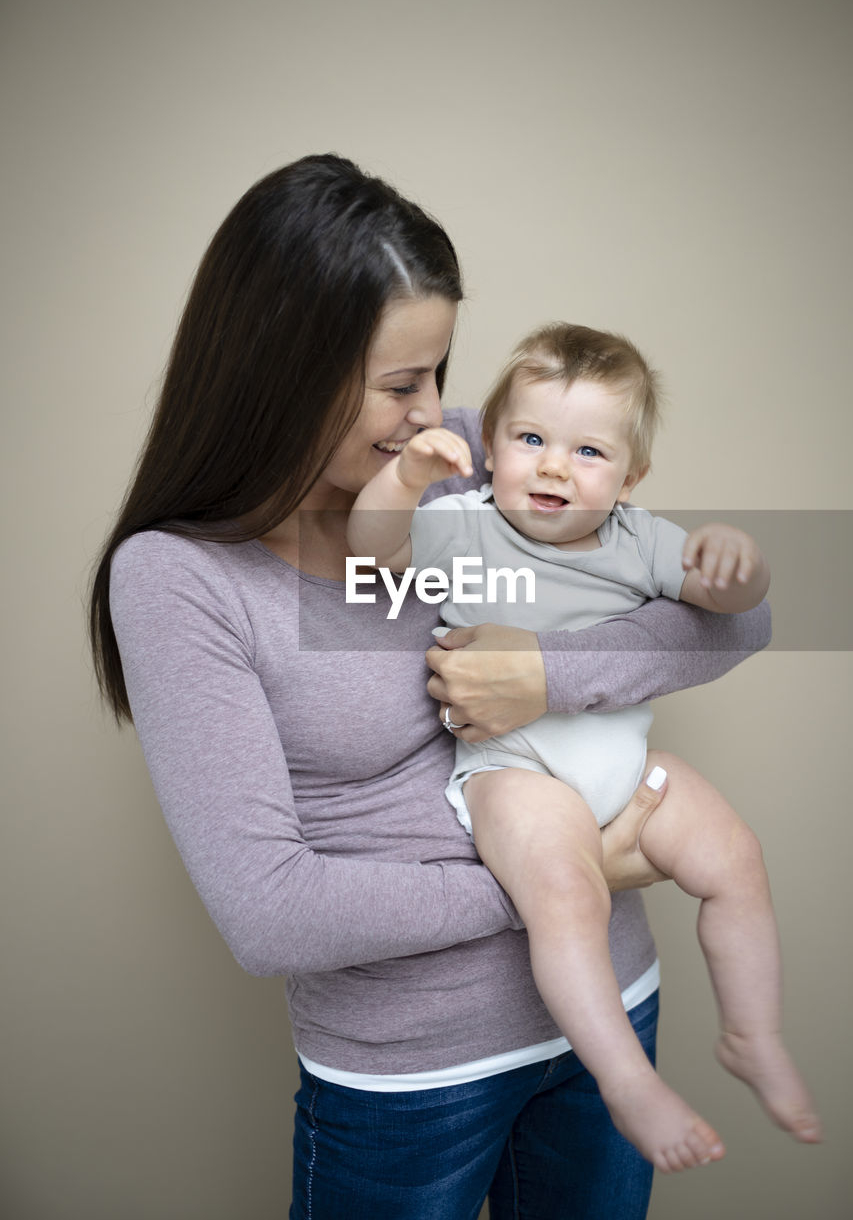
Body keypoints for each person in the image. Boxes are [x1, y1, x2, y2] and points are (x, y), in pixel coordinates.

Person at [89, 155, 774, 1218]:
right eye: (402, 383)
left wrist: (546, 672)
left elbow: (742, 612)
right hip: (409, 1080)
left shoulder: (456, 495)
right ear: (288, 370)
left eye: (440, 371)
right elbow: (272, 913)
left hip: (606, 1014)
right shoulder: (181, 579)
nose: (435, 414)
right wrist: (573, 871)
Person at [348, 321, 821, 1172]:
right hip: (515, 769)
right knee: (567, 898)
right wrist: (406, 475)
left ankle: (752, 1035)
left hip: (623, 765)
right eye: (529, 439)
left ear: (631, 477)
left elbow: (731, 604)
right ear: (489, 446)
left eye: (589, 452)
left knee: (736, 859)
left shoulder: (639, 539)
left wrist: (736, 563)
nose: (555, 466)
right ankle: (624, 1079)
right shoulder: (467, 524)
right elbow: (369, 548)